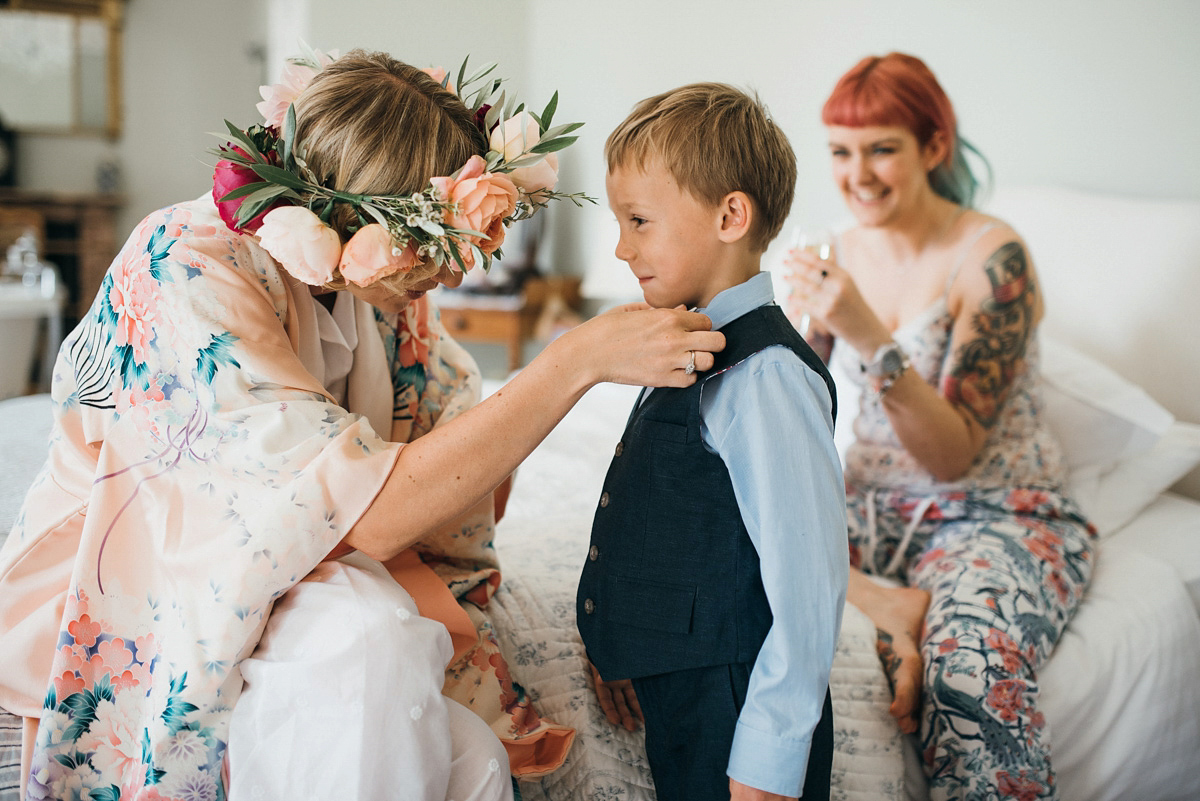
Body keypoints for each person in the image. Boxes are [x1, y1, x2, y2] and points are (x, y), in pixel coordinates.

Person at [0, 50, 725, 801]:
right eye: (441, 243)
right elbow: (366, 518)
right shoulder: (183, 267)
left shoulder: (381, 294)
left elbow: (457, 467)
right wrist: (572, 362)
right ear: (354, 211)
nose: (458, 272)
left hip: (299, 557)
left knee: (474, 756)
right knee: (369, 634)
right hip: (157, 560)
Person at [784, 52, 1095, 801]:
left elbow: (951, 455)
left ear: (933, 147)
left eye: (881, 148)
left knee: (969, 672)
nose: (858, 174)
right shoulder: (832, 253)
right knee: (726, 553)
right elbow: (795, 419)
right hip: (871, 504)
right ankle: (887, 600)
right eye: (840, 151)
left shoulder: (991, 260)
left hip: (995, 510)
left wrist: (866, 334)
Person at [576, 83, 849, 801]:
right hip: (686, 693)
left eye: (639, 220)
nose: (621, 245)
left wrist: (768, 759)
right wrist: (619, 631)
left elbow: (806, 585)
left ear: (731, 214)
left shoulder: (768, 376)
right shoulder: (687, 340)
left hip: (734, 704)